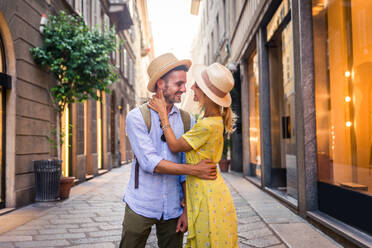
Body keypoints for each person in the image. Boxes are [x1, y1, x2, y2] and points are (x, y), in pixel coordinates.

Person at [120, 53, 218, 248]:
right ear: (161, 84)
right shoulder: (136, 117)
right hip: (141, 203)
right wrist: (195, 170)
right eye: (179, 84)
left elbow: (187, 160)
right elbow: (151, 163)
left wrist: (187, 208)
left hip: (174, 207)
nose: (184, 89)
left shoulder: (187, 120)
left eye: (185, 84)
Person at [149, 62, 239, 248]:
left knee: (208, 240)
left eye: (196, 85)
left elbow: (174, 146)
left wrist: (162, 116)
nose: (191, 88)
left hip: (207, 193)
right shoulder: (210, 120)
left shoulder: (207, 125)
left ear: (206, 94)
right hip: (206, 189)